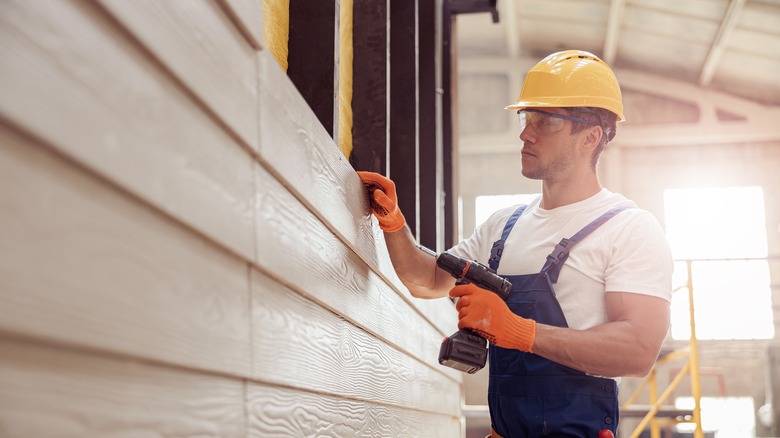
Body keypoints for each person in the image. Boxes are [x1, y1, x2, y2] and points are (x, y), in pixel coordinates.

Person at [357, 50, 672, 437]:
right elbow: (425, 280)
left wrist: (519, 331)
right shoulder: (503, 227)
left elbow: (638, 350)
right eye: (526, 117)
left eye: (548, 120)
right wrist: (393, 223)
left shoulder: (629, 229)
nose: (526, 132)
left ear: (591, 136)